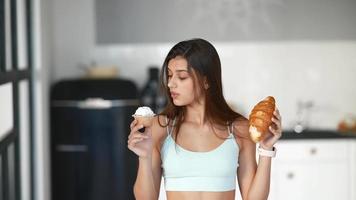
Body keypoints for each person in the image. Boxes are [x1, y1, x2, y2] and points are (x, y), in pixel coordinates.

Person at [127, 38, 282, 200]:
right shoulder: (160, 128)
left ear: (206, 81)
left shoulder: (239, 129)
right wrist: (144, 157)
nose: (171, 84)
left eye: (182, 77)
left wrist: (266, 150)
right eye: (170, 76)